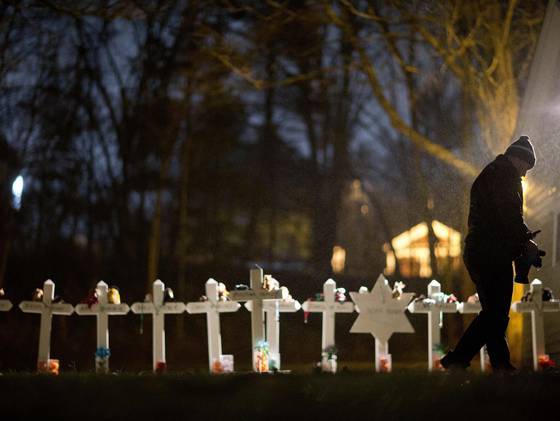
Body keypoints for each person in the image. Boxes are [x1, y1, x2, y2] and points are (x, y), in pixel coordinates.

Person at [441, 135, 540, 371]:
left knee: (494, 313)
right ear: (518, 159)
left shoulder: (494, 173)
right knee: (496, 313)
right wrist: (526, 242)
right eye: (526, 166)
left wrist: (523, 238)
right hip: (491, 253)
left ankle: (500, 363)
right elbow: (509, 217)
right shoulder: (505, 176)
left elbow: (505, 217)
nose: (525, 174)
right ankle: (458, 359)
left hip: (481, 251)